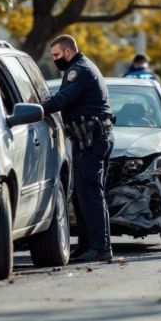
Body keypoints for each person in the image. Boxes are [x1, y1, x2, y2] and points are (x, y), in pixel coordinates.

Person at [41, 35, 116, 262]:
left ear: (67, 52)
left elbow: (62, 100)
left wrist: (37, 109)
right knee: (83, 195)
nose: (54, 60)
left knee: (91, 193)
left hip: (92, 139)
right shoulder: (79, 68)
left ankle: (100, 248)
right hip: (90, 139)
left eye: (56, 55)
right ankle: (88, 246)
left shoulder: (79, 70)